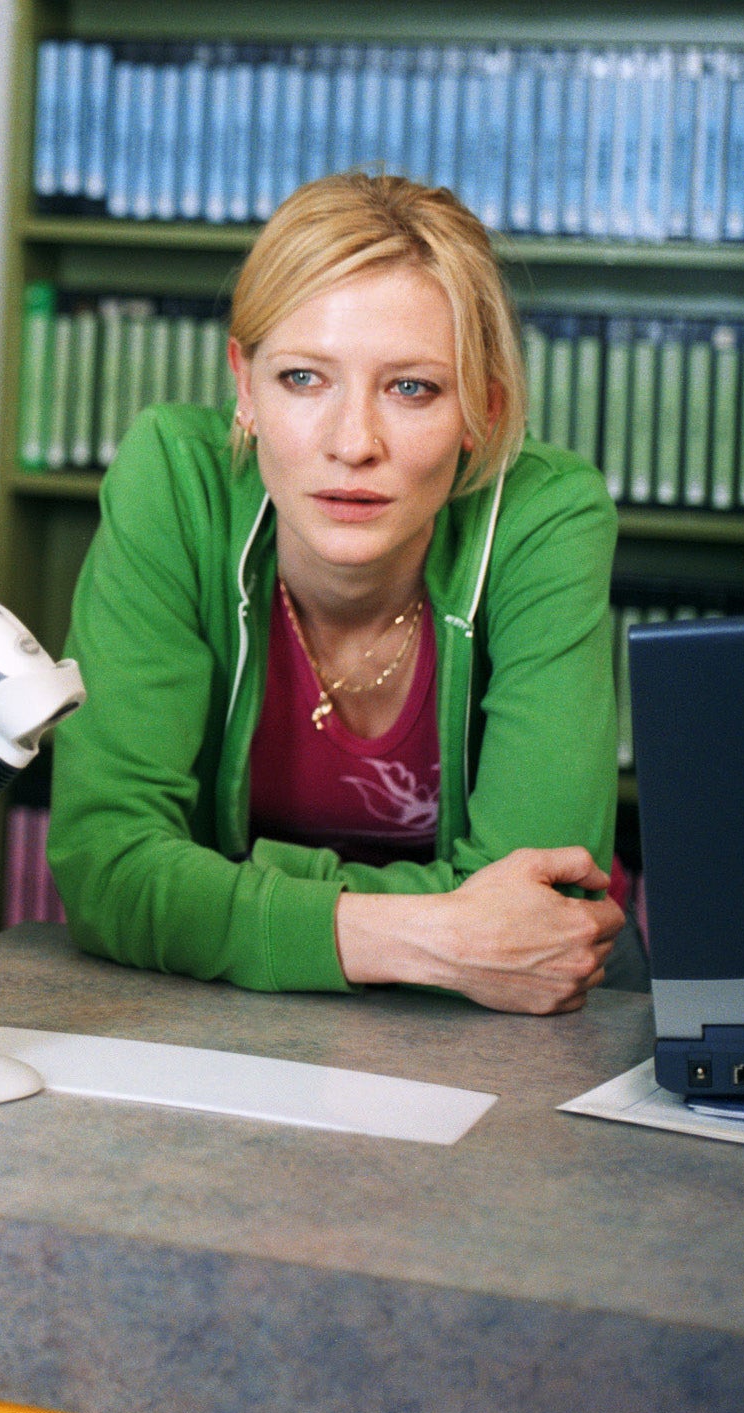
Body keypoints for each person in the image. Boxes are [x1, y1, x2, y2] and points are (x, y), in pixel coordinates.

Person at [48, 172, 624, 1016]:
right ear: (244, 384)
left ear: (485, 411)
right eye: (304, 379)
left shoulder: (547, 513)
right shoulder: (174, 479)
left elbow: (545, 912)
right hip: (258, 1012)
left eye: (412, 388)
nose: (354, 443)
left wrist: (225, 896)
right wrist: (433, 932)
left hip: (496, 1020)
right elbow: (109, 871)